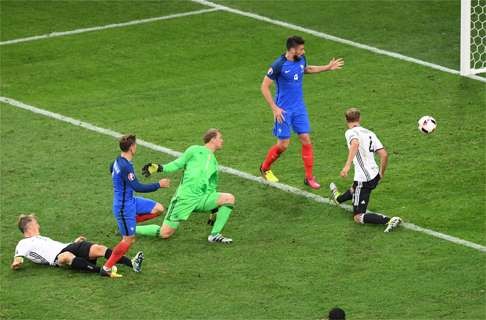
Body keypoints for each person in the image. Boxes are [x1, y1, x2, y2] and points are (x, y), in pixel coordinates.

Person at [260, 35, 344, 189]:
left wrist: (327, 67)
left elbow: (307, 69)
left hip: (299, 108)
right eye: (300, 49)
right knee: (283, 145)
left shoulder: (301, 58)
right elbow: (264, 86)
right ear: (292, 49)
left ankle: (309, 177)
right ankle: (265, 168)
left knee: (305, 138)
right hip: (283, 110)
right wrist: (274, 108)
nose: (303, 51)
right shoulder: (278, 65)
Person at [138, 129, 235, 244]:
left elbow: (211, 188)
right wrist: (159, 167)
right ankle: (130, 228)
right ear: (213, 139)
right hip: (184, 198)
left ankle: (214, 235)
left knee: (229, 198)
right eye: (220, 138)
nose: (222, 141)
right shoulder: (194, 150)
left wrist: (213, 209)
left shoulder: (214, 163)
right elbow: (177, 164)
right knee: (165, 233)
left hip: (201, 199)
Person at [102, 134, 170, 277]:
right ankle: (107, 268)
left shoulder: (118, 161)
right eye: (135, 145)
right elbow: (137, 186)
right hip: (123, 206)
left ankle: (130, 223)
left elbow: (111, 170)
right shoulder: (125, 166)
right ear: (132, 147)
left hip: (131, 201)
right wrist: (159, 184)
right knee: (128, 240)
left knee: (158, 209)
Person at [329, 108, 401, 232]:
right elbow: (384, 154)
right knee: (354, 188)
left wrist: (347, 166)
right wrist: (381, 174)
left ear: (346, 120)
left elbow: (355, 144)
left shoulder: (350, 132)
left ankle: (388, 220)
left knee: (357, 216)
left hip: (364, 179)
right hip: (375, 175)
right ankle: (338, 198)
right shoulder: (369, 133)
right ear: (360, 118)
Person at [11, 214, 142, 278]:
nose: (38, 225)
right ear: (30, 226)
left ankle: (132, 263)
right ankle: (102, 271)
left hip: (68, 246)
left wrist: (74, 242)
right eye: (36, 223)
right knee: (66, 256)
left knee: (99, 248)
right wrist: (17, 263)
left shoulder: (41, 238)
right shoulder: (24, 243)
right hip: (57, 258)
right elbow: (19, 257)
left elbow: (57, 245)